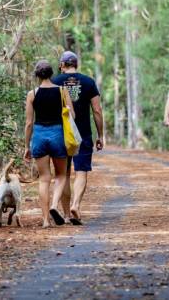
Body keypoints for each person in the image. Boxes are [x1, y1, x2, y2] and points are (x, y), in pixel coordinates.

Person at [52, 51, 104, 225]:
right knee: (81, 172)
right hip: (83, 134)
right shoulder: (88, 82)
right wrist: (101, 135)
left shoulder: (55, 82)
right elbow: (97, 110)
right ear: (76, 64)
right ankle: (76, 205)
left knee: (64, 174)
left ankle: (66, 215)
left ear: (62, 65)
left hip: (62, 135)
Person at [23, 60, 70, 228]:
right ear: (52, 74)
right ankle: (54, 205)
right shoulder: (62, 91)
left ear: (37, 75)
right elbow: (71, 116)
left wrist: (27, 146)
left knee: (44, 179)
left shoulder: (32, 94)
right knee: (61, 175)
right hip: (58, 134)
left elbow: (29, 123)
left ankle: (44, 221)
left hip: (40, 135)